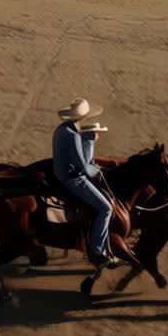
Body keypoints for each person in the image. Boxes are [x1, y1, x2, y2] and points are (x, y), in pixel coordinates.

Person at [52, 98, 114, 266]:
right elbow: (84, 167)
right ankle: (96, 250)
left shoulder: (62, 129)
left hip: (60, 173)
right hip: (73, 178)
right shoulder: (73, 135)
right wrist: (90, 142)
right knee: (106, 208)